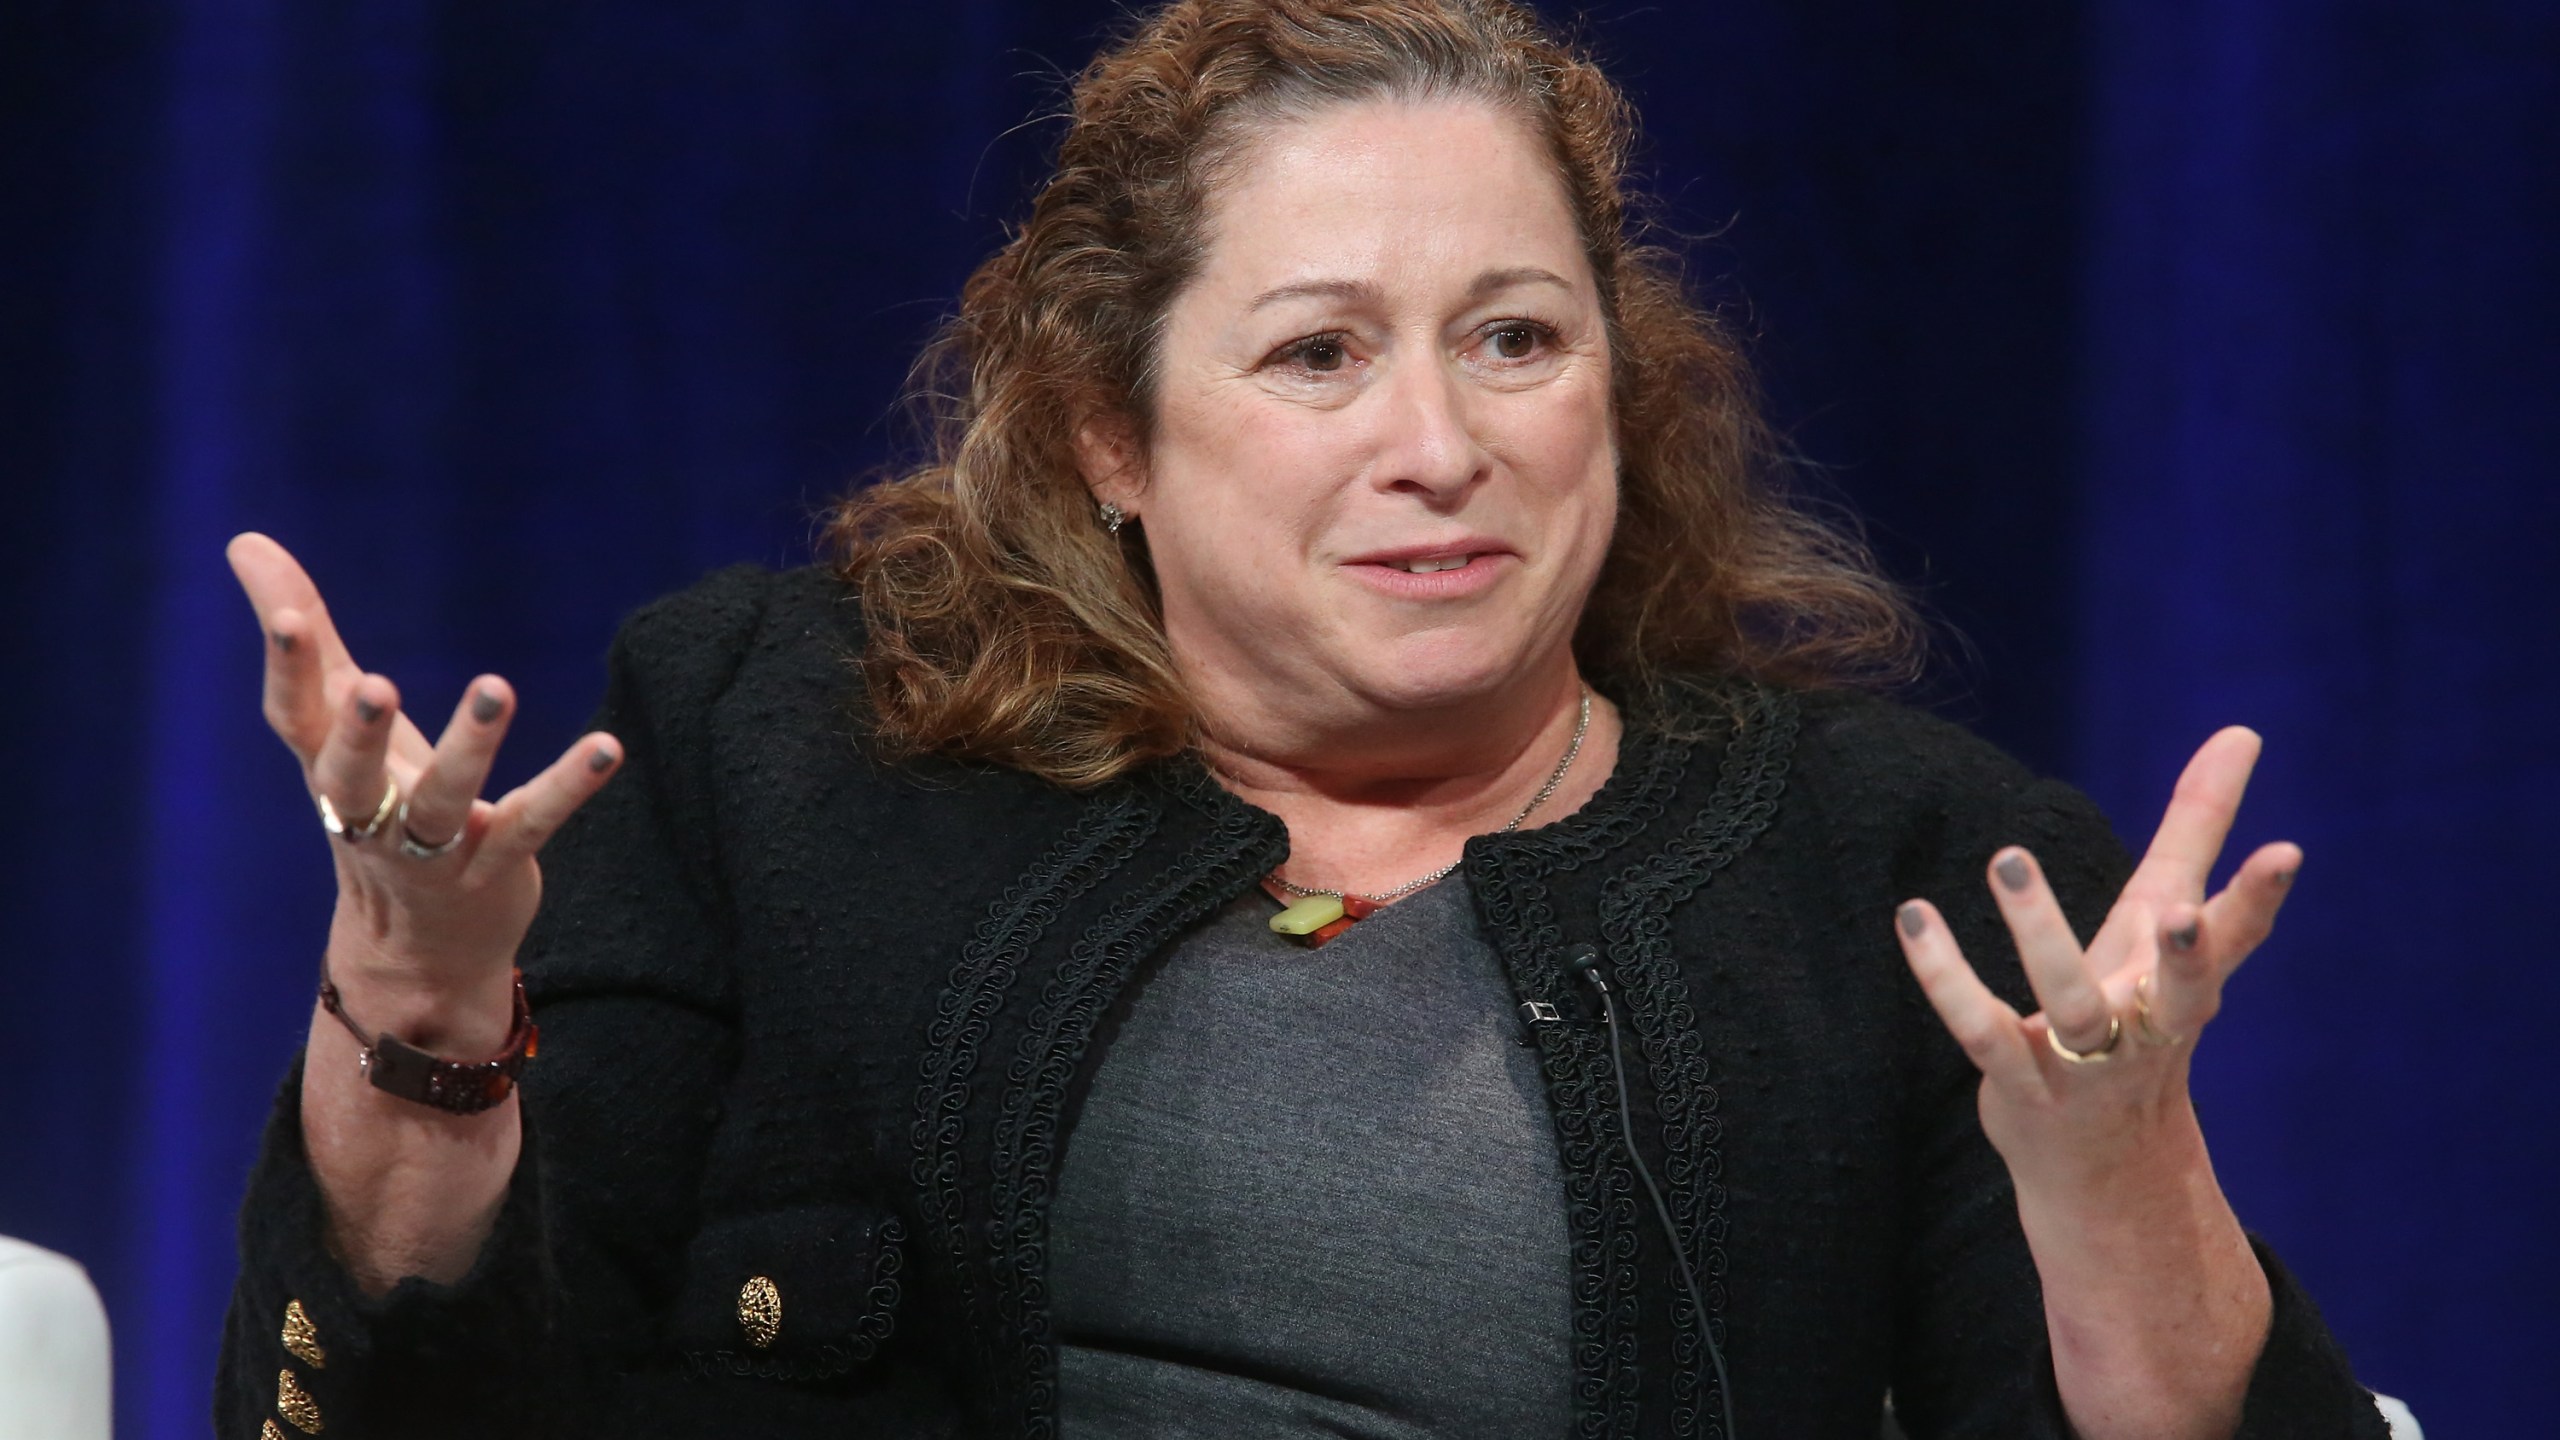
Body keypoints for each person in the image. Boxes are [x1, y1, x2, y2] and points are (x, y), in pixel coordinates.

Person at [215, 1, 2393, 1436]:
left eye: (1516, 339)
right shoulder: (763, 747)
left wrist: (2114, 1190)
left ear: (1617, 391)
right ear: (1107, 433)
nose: (1437, 443)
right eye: (1317, 354)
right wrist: (414, 1016)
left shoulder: (1899, 880)